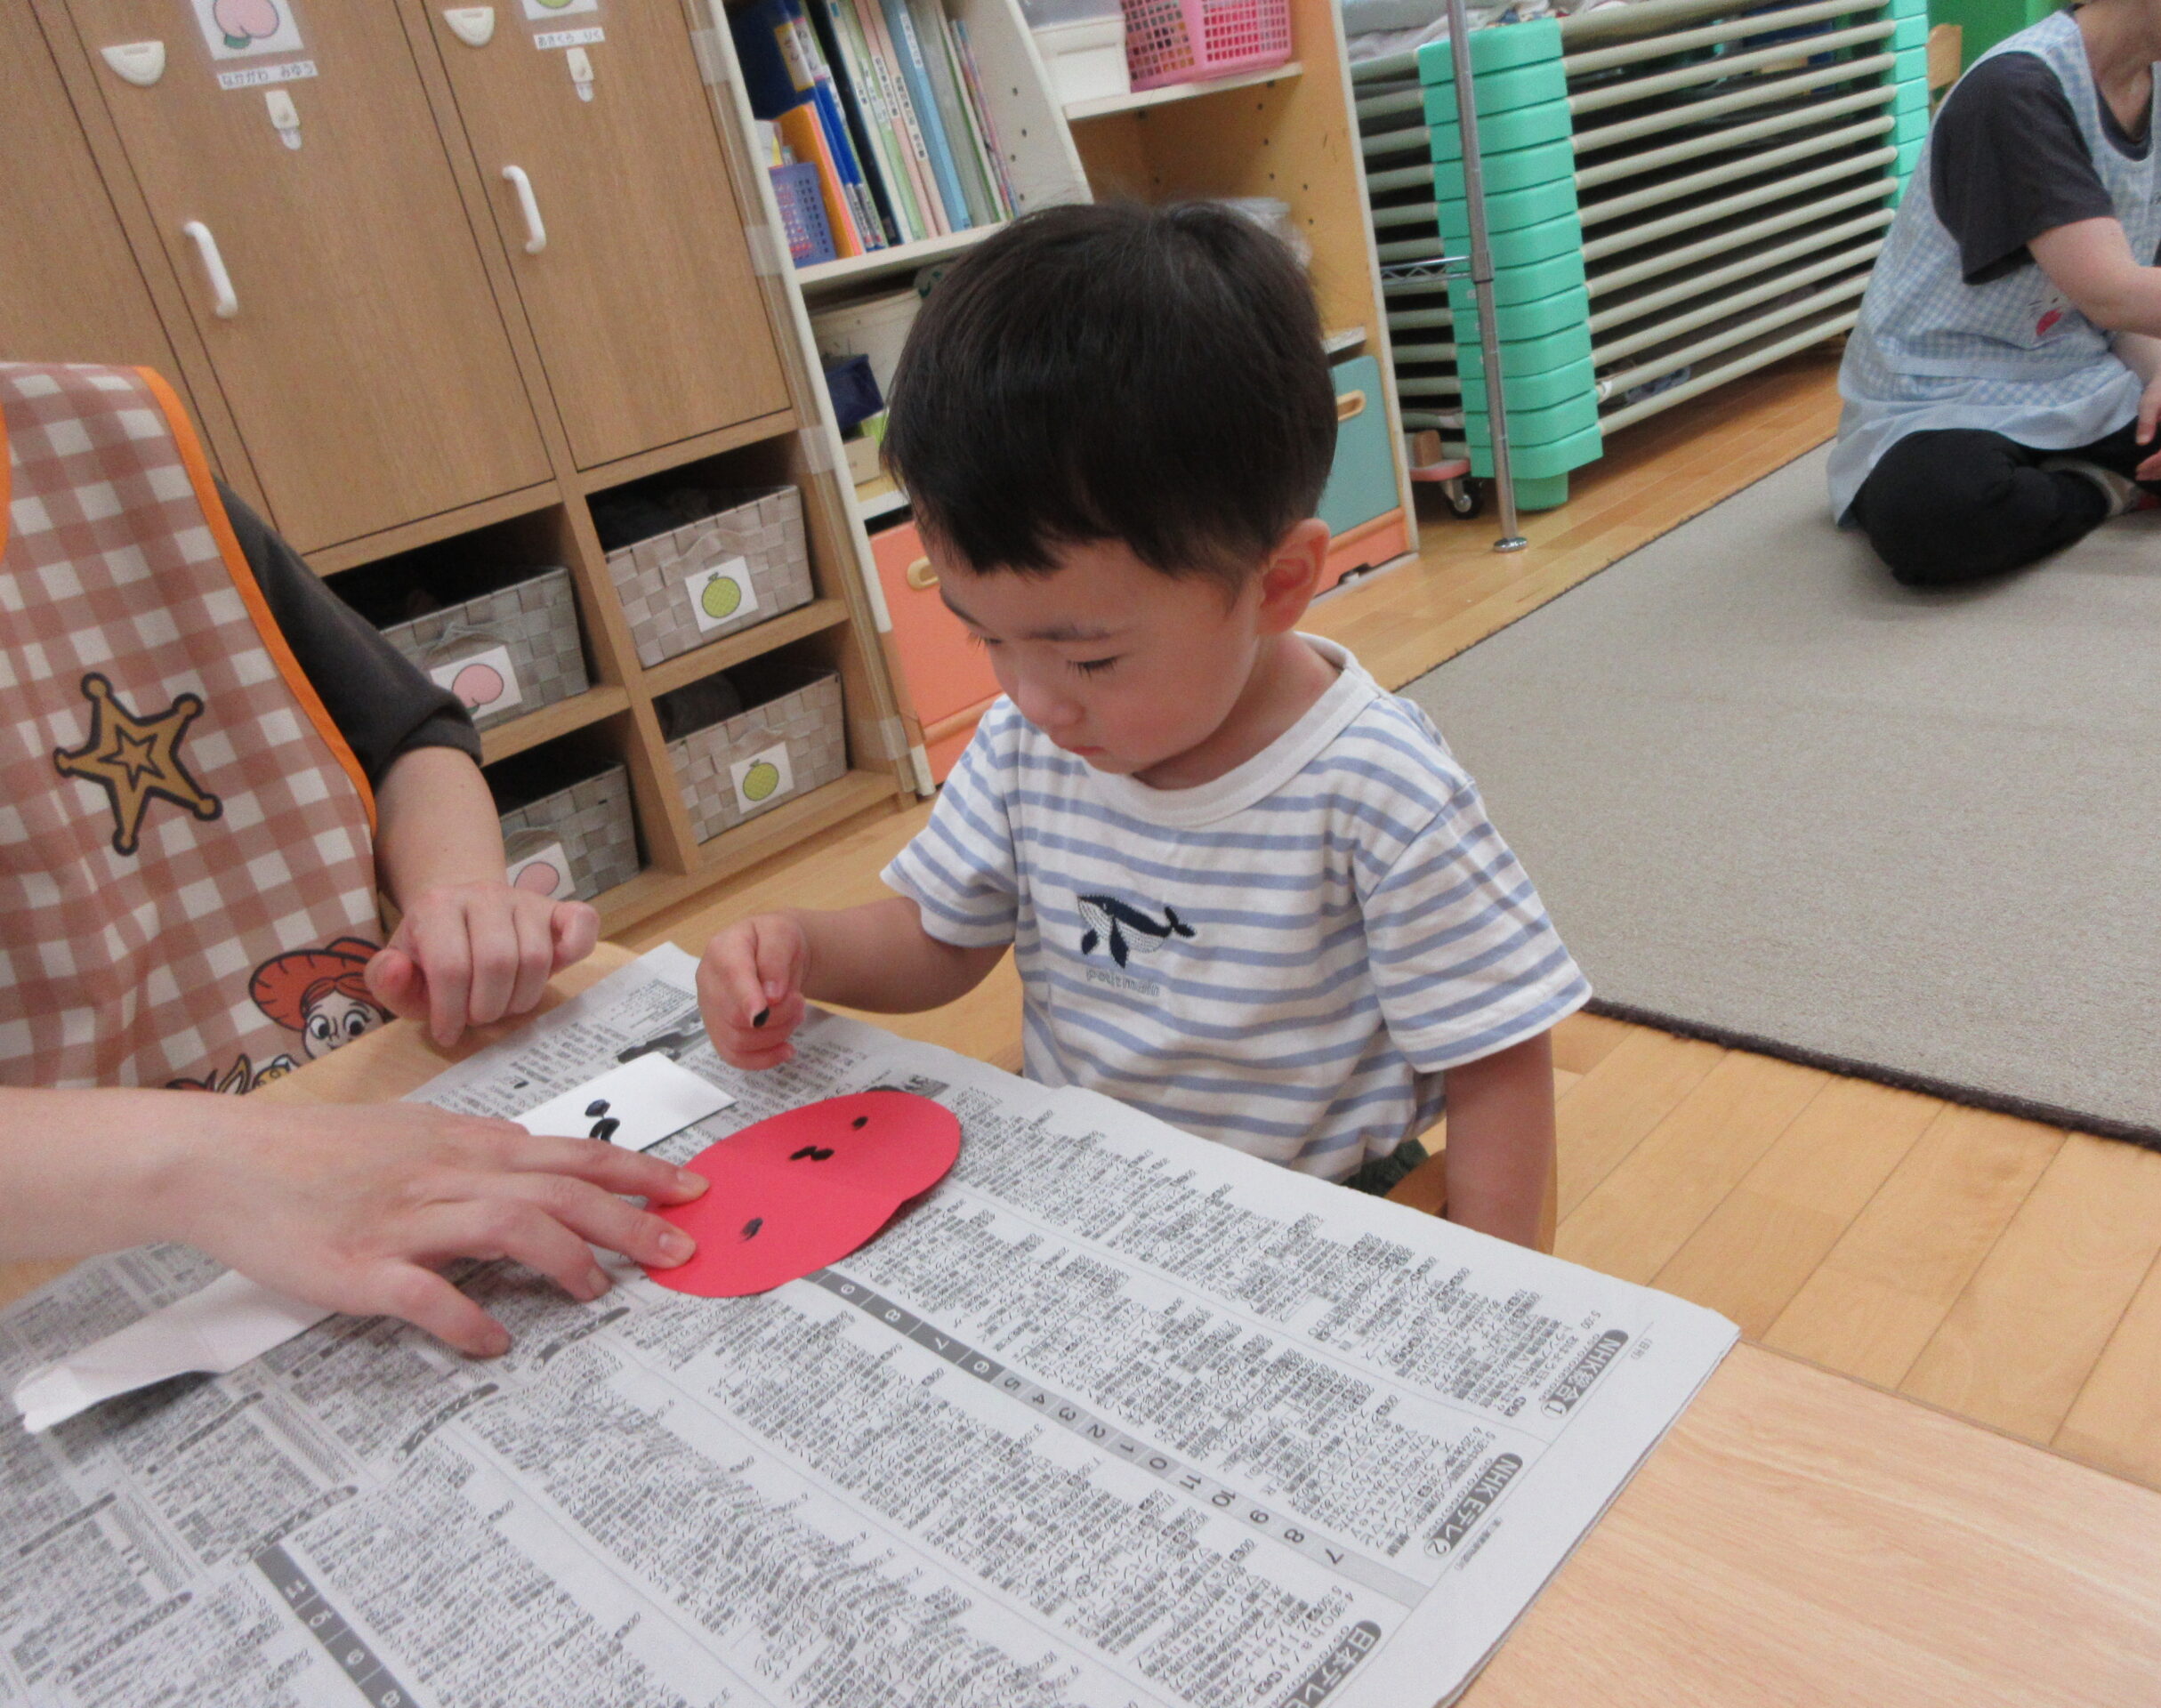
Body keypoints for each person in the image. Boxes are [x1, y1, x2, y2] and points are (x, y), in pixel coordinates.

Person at [696, 204, 1589, 1248]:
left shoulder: (1377, 787)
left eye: (1088, 659)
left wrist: (1500, 1280)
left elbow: (1495, 1057)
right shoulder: (1030, 743)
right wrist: (800, 949)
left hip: (1319, 1212)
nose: (1035, 698)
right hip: (1086, 1187)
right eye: (988, 639)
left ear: (1278, 584)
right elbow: (937, 937)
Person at [0, 359, 701, 1355]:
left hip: (363, 1090)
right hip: (68, 1259)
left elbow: (409, 735)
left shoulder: (112, 440)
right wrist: (211, 1164)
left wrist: (456, 895)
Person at [1831, 0, 2161, 584]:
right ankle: (2102, 487)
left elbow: (2143, 290)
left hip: (2087, 378)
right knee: (1937, 513)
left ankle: (2074, 474)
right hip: (1944, 393)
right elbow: (2111, 293)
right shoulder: (2016, 88)